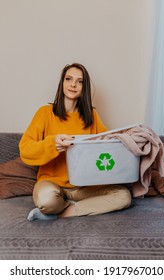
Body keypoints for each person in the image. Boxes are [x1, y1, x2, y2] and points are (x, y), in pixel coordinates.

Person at [19, 63, 131, 221]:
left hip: (83, 187)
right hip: (51, 183)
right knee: (46, 201)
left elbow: (108, 144)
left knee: (123, 196)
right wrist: (53, 144)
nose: (73, 84)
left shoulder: (92, 115)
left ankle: (65, 211)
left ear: (84, 87)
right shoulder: (44, 113)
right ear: (62, 83)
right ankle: (58, 206)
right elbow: (25, 149)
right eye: (69, 79)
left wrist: (130, 138)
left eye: (80, 81)